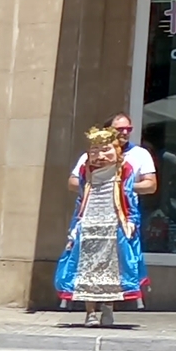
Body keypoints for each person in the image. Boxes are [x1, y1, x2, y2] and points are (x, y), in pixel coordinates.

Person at [56, 121, 144, 328]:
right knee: (88, 268)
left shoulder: (125, 170)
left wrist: (131, 220)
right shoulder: (86, 171)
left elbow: (128, 196)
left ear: (116, 150)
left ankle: (108, 307)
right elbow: (81, 197)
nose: (100, 156)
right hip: (90, 225)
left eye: (105, 150)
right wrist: (76, 224)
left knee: (112, 269)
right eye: (95, 151)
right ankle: (90, 313)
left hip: (114, 225)